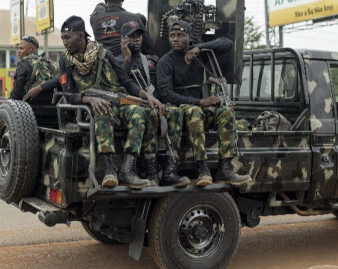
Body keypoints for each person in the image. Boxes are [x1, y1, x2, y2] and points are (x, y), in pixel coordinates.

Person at [57, 15, 165, 189]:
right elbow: (69, 93)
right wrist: (89, 99)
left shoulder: (104, 53)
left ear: (81, 36)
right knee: (102, 109)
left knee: (140, 113)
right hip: (96, 106)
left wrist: (147, 96)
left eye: (68, 37)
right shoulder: (64, 61)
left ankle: (128, 170)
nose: (65, 42)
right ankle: (109, 169)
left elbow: (126, 81)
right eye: (63, 38)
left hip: (118, 100)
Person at [156, 20, 252, 186]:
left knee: (226, 112)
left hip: (201, 110)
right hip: (180, 114)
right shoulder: (166, 62)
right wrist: (200, 101)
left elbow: (227, 44)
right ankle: (202, 169)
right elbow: (166, 95)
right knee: (195, 111)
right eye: (172, 36)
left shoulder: (198, 55)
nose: (175, 39)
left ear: (189, 37)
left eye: (180, 35)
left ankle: (225, 168)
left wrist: (200, 47)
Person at [117, 21, 190, 187]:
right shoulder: (116, 61)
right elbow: (118, 86)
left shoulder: (150, 60)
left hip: (154, 104)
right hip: (131, 107)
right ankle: (151, 172)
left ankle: (170, 171)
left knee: (176, 112)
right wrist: (127, 59)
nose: (137, 40)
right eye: (132, 36)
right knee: (148, 114)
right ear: (123, 39)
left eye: (139, 36)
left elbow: (161, 86)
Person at [90, 0, 154, 57]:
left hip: (103, 65)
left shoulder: (94, 20)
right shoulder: (133, 18)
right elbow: (147, 49)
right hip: (127, 63)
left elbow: (98, 9)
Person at [9, 35, 57, 102]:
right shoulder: (50, 64)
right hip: (52, 106)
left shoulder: (23, 64)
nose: (18, 51)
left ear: (32, 49)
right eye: (18, 48)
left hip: (29, 107)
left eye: (21, 48)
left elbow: (16, 93)